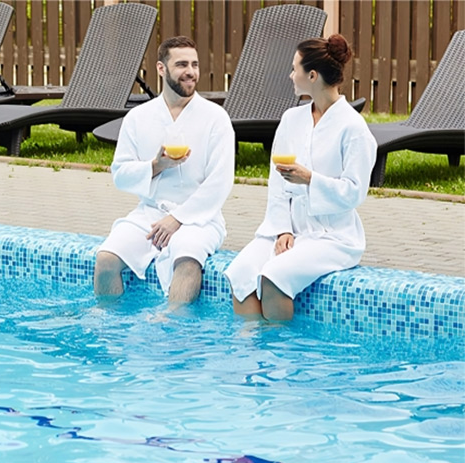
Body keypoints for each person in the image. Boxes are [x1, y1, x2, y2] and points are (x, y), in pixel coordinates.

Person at [223, 34, 377, 321]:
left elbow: (355, 192)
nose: (291, 75)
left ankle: (282, 357)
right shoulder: (291, 120)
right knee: (241, 273)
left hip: (333, 237)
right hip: (289, 231)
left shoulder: (353, 128)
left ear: (313, 75)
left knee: (274, 276)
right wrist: (283, 229)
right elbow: (277, 183)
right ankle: (252, 353)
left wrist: (311, 180)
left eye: (295, 69)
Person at [94, 36, 235, 304]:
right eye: (182, 64)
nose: (191, 72)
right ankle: (109, 329)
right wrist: (156, 166)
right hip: (149, 213)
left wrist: (178, 218)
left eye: (194, 64)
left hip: (199, 218)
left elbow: (220, 182)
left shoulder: (215, 118)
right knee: (106, 260)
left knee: (187, 260)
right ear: (161, 68)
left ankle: (172, 331)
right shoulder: (138, 117)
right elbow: (120, 175)